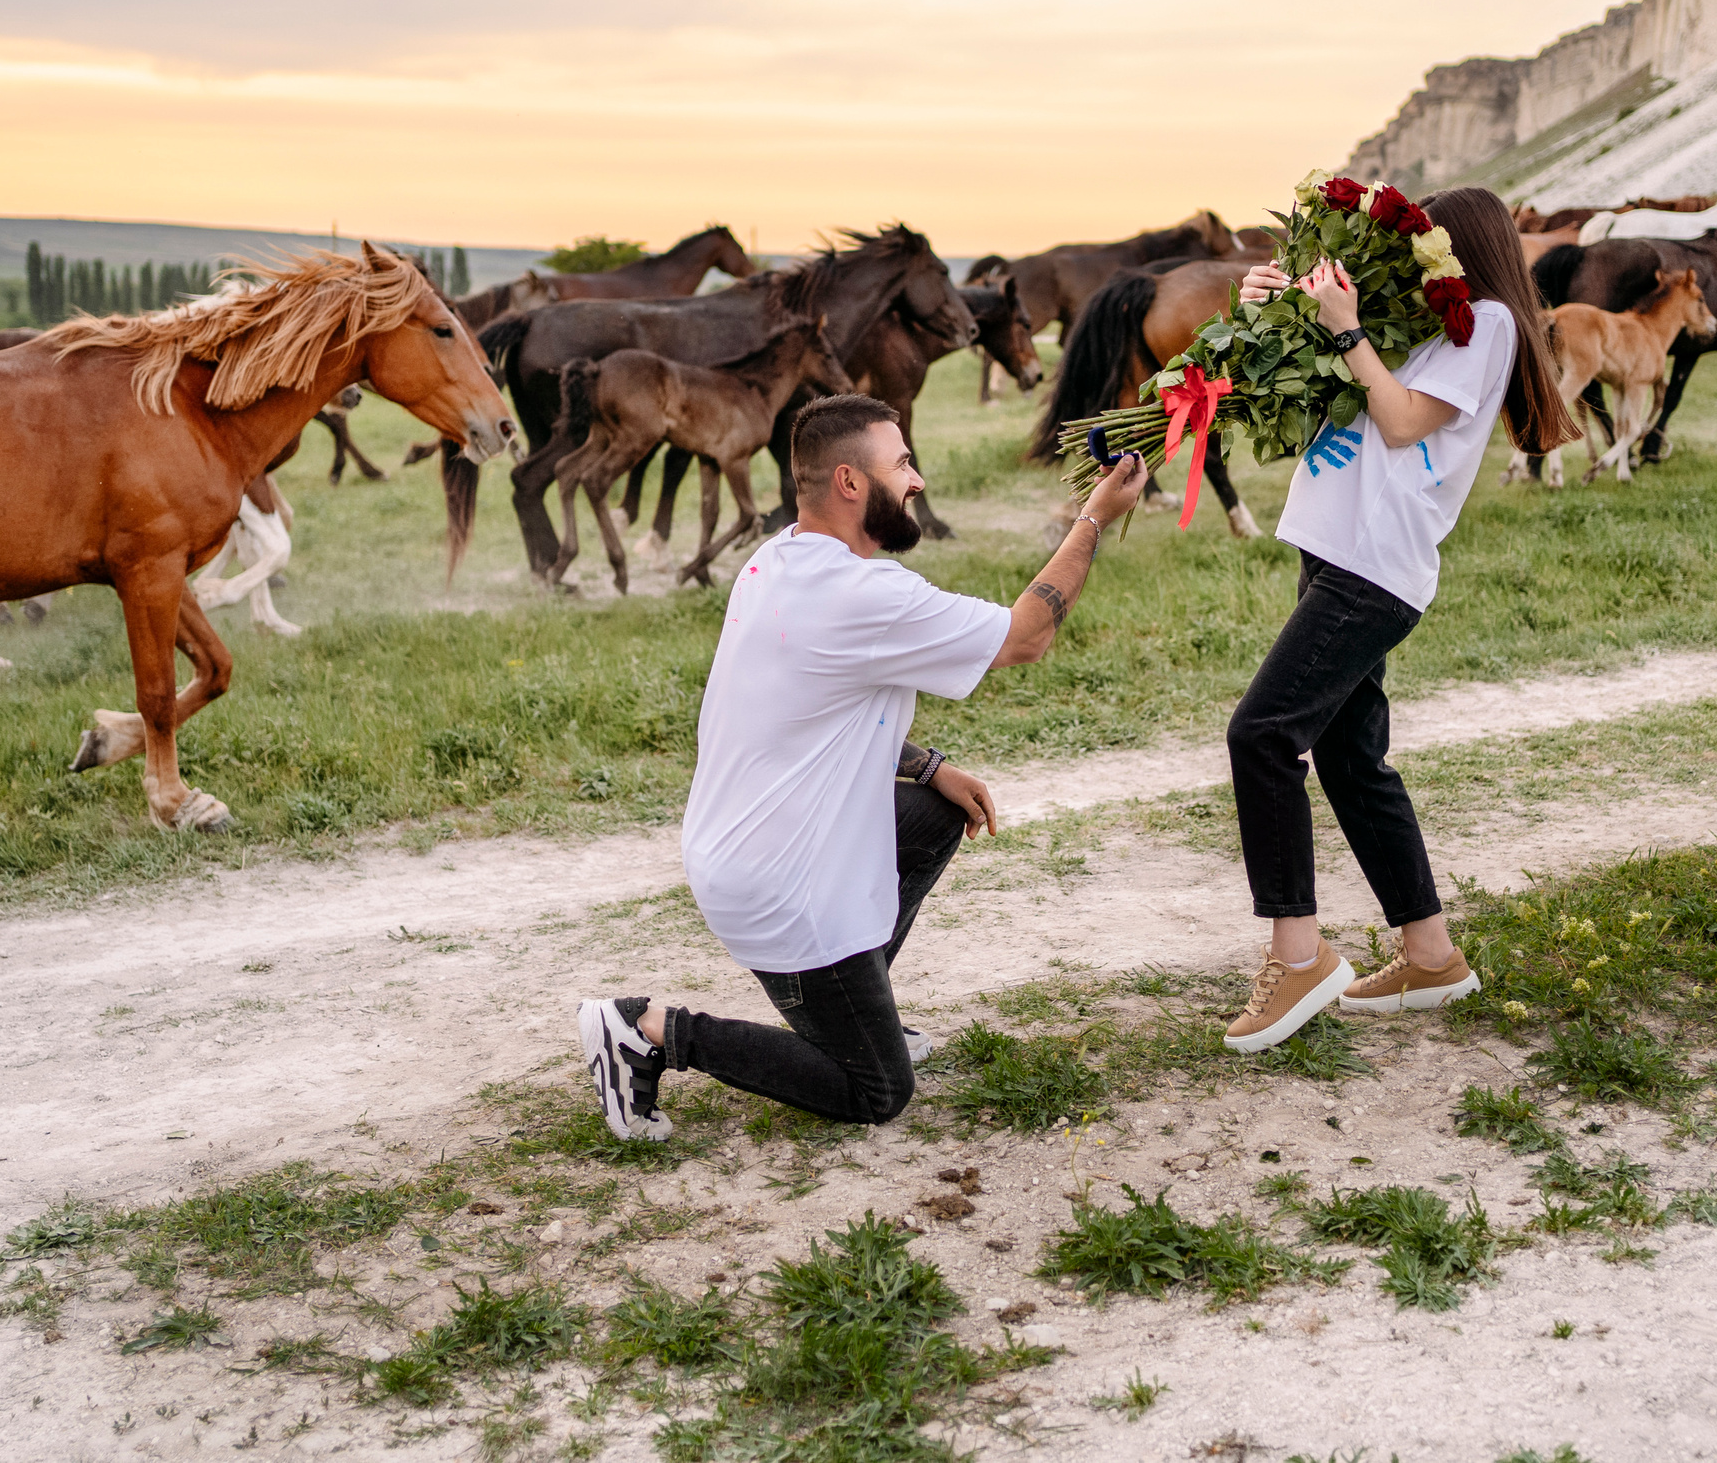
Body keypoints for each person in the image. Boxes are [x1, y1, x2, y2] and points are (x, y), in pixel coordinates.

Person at [576, 392, 1147, 1140]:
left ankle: (857, 1007)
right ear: (851, 482)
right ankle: (648, 1029)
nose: (916, 479)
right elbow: (1027, 634)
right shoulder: (862, 592)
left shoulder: (779, 558)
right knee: (876, 1088)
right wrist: (1093, 517)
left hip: (745, 851)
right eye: (902, 462)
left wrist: (927, 764)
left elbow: (811, 706)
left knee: (937, 812)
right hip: (783, 883)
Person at [1219, 185, 1579, 1054]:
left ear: (1466, 250)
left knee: (1262, 734)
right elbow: (1324, 394)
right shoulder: (1419, 325)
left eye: (1426, 244)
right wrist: (1273, 314)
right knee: (1349, 757)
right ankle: (1431, 954)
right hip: (1335, 551)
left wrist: (1348, 329)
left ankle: (1298, 955)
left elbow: (1401, 421)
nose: (1417, 259)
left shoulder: (1486, 322)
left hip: (1374, 566)